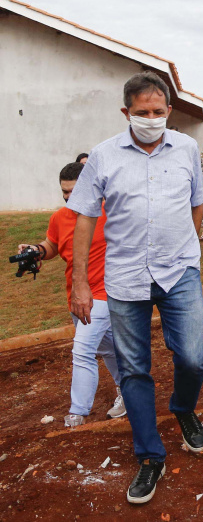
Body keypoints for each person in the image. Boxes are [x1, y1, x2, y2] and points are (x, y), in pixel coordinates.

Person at [67, 71, 203, 505]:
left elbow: (196, 202)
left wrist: (191, 248)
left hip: (178, 271)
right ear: (126, 112)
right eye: (142, 112)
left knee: (193, 356)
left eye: (159, 111)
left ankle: (183, 408)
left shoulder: (186, 147)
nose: (151, 118)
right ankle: (150, 455)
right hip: (125, 277)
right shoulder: (104, 157)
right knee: (133, 369)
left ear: (169, 110)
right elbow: (86, 217)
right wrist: (79, 283)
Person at [16, 162, 124, 428]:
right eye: (64, 191)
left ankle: (78, 413)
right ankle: (127, 390)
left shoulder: (110, 212)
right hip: (76, 294)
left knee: (83, 348)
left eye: (73, 191)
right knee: (106, 347)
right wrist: (36, 250)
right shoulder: (59, 218)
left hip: (103, 293)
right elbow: (53, 244)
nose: (67, 197)